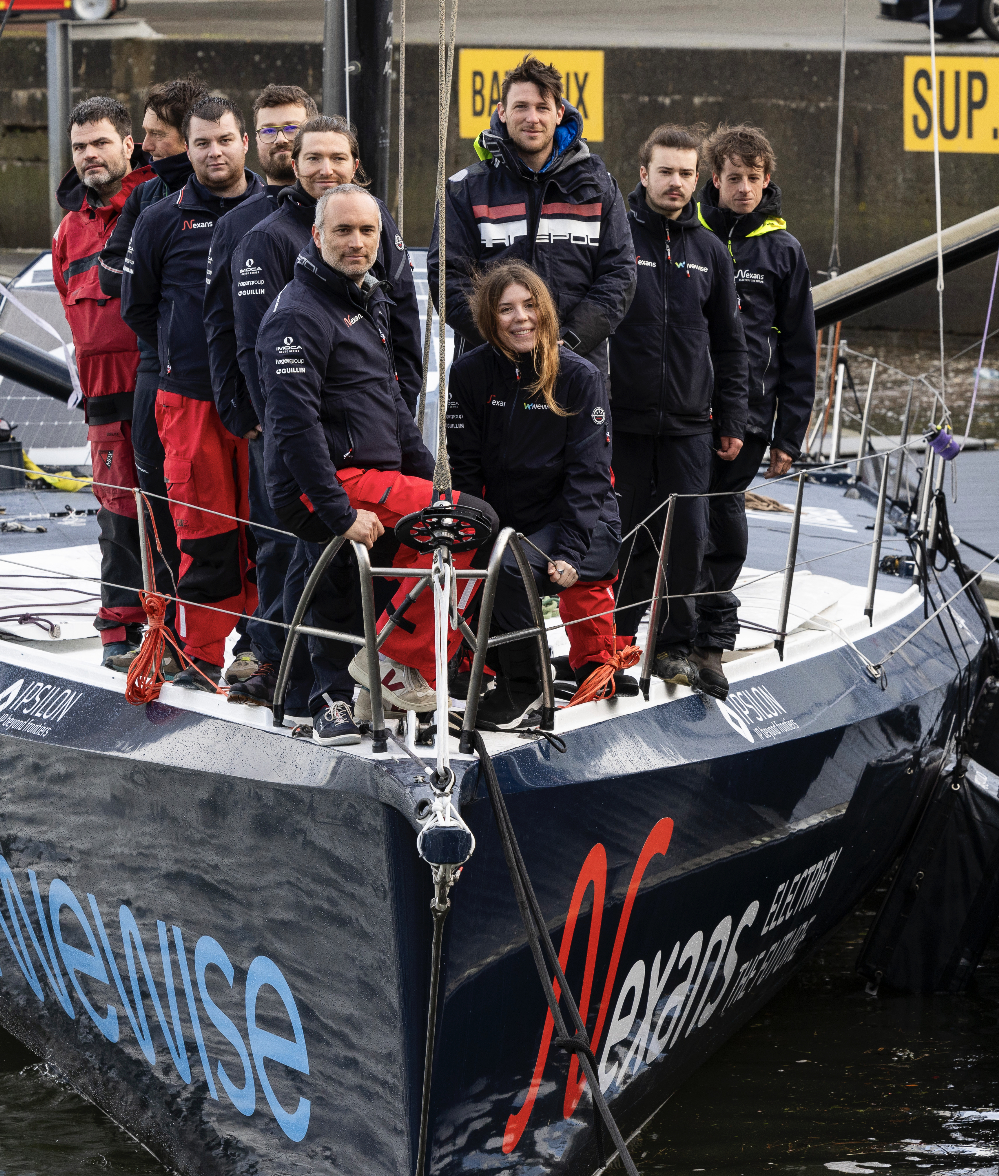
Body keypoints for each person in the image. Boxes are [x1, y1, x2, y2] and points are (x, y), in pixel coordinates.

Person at [259, 184, 496, 743]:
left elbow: (392, 409)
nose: (357, 242)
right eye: (342, 230)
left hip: (370, 477)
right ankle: (387, 666)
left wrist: (430, 482)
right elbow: (294, 427)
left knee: (450, 523)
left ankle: (382, 676)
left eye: (368, 231)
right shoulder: (299, 314)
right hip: (326, 482)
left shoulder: (364, 302)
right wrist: (338, 512)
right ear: (317, 235)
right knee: (469, 522)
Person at [222, 115, 422, 712]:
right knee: (298, 558)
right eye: (313, 158)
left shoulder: (375, 225)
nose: (325, 168)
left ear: (357, 163)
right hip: (302, 438)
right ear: (295, 163)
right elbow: (251, 343)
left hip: (368, 434)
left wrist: (395, 413)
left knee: (338, 567)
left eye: (338, 158)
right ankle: (305, 684)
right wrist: (271, 426)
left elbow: (399, 332)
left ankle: (357, 676)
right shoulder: (265, 239)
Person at [123, 95, 265, 689]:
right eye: (202, 142)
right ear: (188, 146)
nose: (214, 152)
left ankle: (259, 650)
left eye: (225, 140)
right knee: (203, 530)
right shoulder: (160, 218)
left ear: (244, 142)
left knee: (266, 531)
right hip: (189, 400)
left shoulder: (273, 212)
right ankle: (199, 652)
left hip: (260, 401)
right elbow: (137, 308)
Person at [446, 260, 626, 726]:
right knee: (463, 560)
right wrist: (470, 535)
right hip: (511, 524)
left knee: (508, 568)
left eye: (530, 305)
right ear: (489, 317)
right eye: (506, 309)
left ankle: (527, 691)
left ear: (545, 310)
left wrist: (569, 550)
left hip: (582, 525)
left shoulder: (579, 376)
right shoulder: (468, 374)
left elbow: (590, 476)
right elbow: (465, 470)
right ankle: (474, 669)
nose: (521, 317)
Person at [610, 124, 749, 700]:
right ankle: (612, 642)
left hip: (691, 426)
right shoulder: (616, 238)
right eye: (665, 171)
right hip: (623, 422)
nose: (676, 182)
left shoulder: (711, 251)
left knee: (688, 538)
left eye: (686, 174)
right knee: (622, 538)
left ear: (698, 181)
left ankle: (671, 646)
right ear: (644, 174)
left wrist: (732, 419)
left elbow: (732, 344)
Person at [199, 83, 316, 703]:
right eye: (269, 129)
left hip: (342, 417)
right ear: (255, 138)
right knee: (273, 541)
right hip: (269, 416)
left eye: (292, 127)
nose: (282, 140)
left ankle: (332, 658)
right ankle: (269, 655)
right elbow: (221, 324)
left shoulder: (355, 215)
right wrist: (237, 407)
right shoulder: (239, 224)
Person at [429, 55, 636, 382]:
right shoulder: (464, 189)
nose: (532, 118)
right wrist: (505, 341)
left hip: (575, 368)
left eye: (542, 107)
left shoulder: (598, 187)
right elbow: (448, 278)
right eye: (521, 107)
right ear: (502, 111)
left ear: (559, 113)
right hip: (491, 371)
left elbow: (619, 275)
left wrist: (566, 344)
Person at [96, 78, 210, 663]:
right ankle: (170, 630)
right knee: (160, 505)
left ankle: (245, 638)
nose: (144, 146)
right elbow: (112, 279)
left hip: (223, 380)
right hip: (156, 371)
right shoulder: (146, 201)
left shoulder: (244, 198)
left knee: (234, 514)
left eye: (156, 135)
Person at [696, 123, 815, 659]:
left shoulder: (784, 252)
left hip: (749, 412)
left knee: (721, 508)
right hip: (684, 406)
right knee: (678, 509)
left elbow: (800, 348)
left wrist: (788, 436)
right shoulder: (689, 236)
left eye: (754, 178)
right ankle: (670, 616)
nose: (744, 188)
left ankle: (713, 626)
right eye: (734, 178)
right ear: (714, 180)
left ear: (767, 181)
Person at [52, 95, 163, 670]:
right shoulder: (68, 232)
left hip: (158, 390)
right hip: (103, 402)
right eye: (79, 147)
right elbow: (74, 315)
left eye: (100, 143)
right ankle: (118, 631)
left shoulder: (158, 206)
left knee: (174, 512)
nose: (89, 155)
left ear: (128, 145)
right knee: (117, 516)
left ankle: (182, 630)